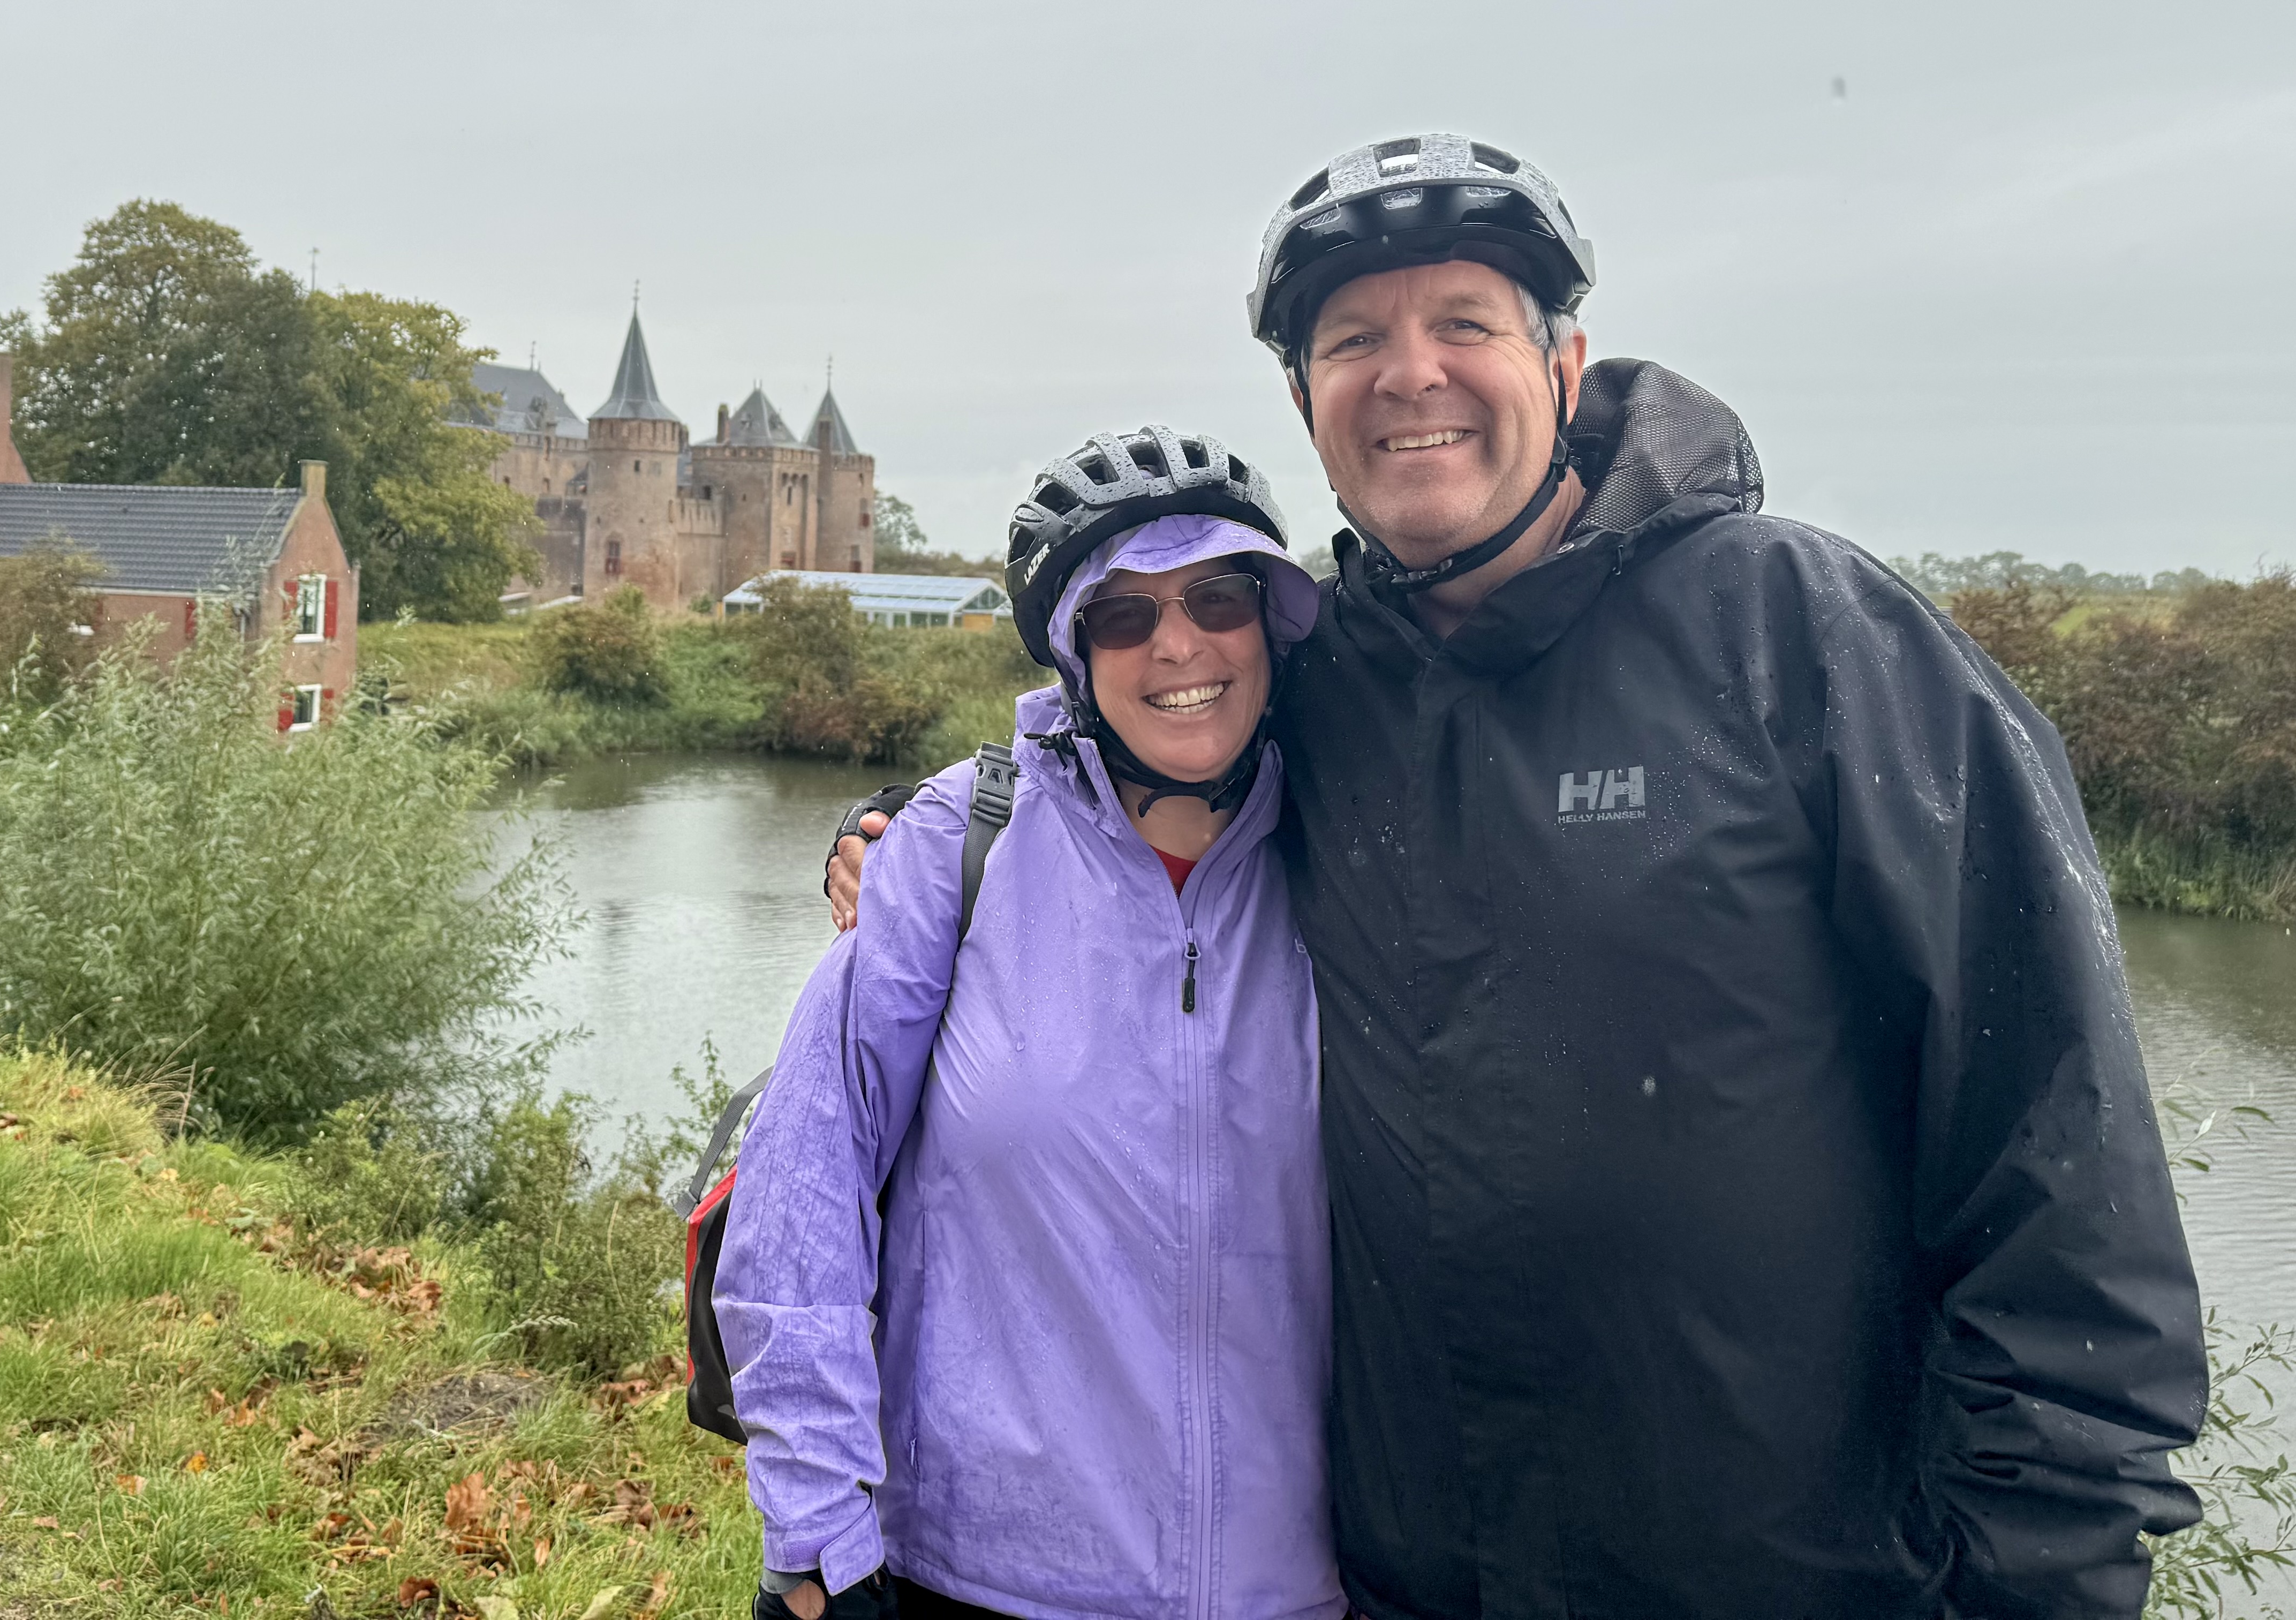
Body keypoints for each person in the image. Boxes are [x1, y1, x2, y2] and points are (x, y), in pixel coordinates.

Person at [828, 136, 2206, 1619]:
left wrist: (2040, 1573)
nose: (1408, 373)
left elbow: (2052, 1143)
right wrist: (902, 835)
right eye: (1352, 340)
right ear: (1303, 403)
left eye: (1463, 322)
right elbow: (1117, 759)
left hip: (1790, 1581)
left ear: (1564, 361)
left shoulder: (1800, 637)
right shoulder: (1316, 684)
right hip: (1409, 1583)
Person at [719, 431, 1343, 1620]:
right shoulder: (958, 849)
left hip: (1299, 1583)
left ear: (1271, 621)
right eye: (1123, 615)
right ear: (1073, 656)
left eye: (1218, 596)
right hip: (984, 1577)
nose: (1178, 645)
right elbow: (804, 1192)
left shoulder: (1353, 853)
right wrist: (813, 1532)